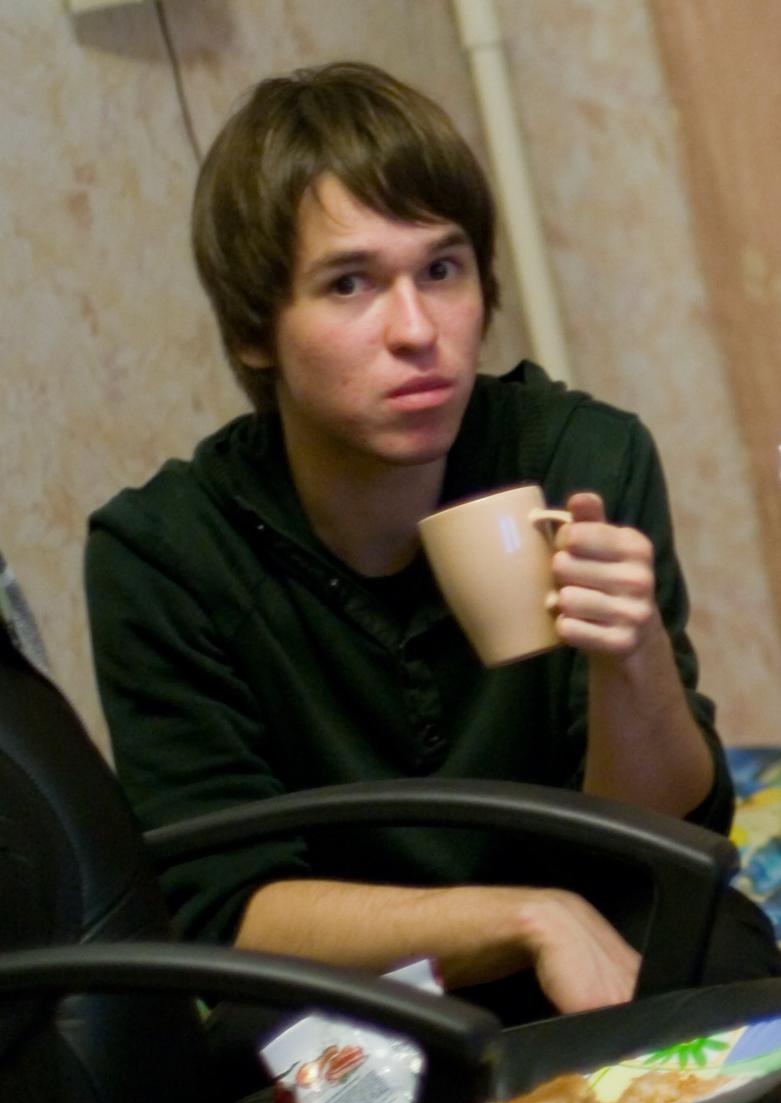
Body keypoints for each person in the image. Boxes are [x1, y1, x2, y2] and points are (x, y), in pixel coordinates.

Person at [85, 61, 778, 1028]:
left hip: (600, 917)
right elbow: (227, 912)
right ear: (253, 329)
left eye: (441, 271)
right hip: (355, 989)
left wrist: (633, 662)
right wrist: (522, 919)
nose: (416, 331)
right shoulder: (165, 553)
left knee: (728, 959)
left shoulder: (579, 458)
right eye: (350, 284)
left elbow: (659, 839)